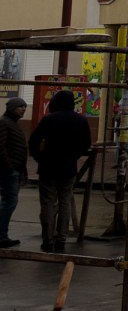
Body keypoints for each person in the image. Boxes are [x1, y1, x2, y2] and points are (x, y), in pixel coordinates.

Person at [28, 90, 92, 253]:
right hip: (68, 168)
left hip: (48, 168)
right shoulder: (80, 120)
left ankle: (47, 239)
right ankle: (61, 239)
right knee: (65, 203)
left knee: (48, 203)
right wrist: (73, 156)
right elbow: (86, 144)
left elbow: (33, 141)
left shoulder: (49, 119)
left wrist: (39, 158)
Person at [1, 97, 29, 249]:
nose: (23, 109)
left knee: (10, 202)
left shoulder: (13, 123)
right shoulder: (4, 122)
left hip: (15, 170)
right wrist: (9, 168)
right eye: (20, 106)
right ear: (11, 108)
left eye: (24, 106)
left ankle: (3, 234)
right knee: (9, 202)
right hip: (9, 171)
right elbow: (1, 147)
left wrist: (22, 171)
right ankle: (1, 236)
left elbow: (20, 150)